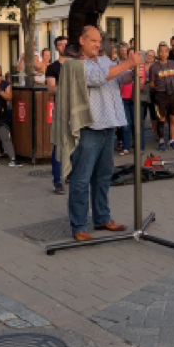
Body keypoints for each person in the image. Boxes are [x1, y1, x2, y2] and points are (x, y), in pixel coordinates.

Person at [68, 25, 142, 241]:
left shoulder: (105, 61)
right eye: (93, 41)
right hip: (89, 128)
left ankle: (102, 217)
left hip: (109, 125)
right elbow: (97, 78)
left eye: (99, 41)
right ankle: (79, 225)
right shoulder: (76, 63)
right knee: (81, 179)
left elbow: (118, 78)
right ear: (82, 40)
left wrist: (133, 70)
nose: (98, 45)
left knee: (103, 176)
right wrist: (128, 63)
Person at [45, 36, 68, 193]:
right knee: (59, 145)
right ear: (56, 48)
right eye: (59, 44)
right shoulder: (53, 67)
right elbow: (51, 89)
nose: (63, 46)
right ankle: (58, 180)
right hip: (61, 110)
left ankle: (73, 175)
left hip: (77, 109)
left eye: (65, 44)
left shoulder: (77, 65)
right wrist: (69, 88)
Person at [148, 43, 174, 151]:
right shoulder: (154, 67)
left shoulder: (173, 63)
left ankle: (173, 140)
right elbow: (151, 83)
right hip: (160, 94)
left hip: (173, 93)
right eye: (161, 51)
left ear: (168, 52)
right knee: (161, 118)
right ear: (158, 52)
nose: (163, 53)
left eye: (166, 51)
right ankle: (161, 140)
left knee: (173, 118)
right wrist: (159, 86)